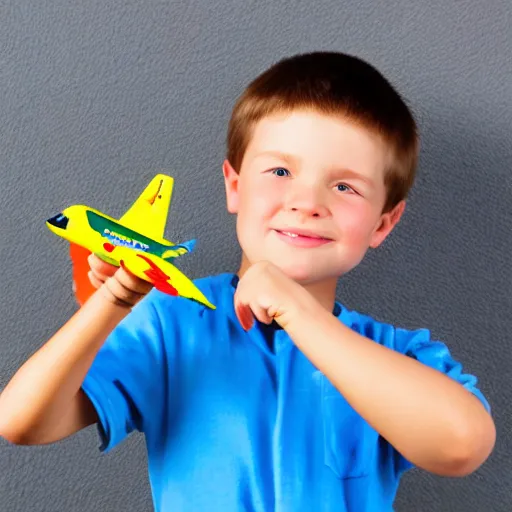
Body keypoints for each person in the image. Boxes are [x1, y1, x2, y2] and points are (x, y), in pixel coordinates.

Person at [0, 51, 495, 511]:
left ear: (383, 223)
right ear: (235, 186)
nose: (307, 202)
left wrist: (298, 312)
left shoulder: (399, 356)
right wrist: (112, 300)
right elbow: (20, 421)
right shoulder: (170, 329)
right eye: (280, 170)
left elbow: (463, 446)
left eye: (344, 186)